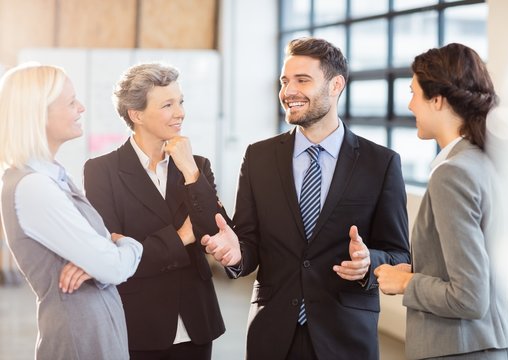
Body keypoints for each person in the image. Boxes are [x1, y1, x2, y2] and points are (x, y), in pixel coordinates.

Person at [202, 37, 410, 360]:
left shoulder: (379, 164)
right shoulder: (259, 158)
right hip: (272, 336)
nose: (288, 92)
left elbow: (399, 255)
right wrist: (235, 255)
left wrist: (369, 263)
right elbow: (249, 243)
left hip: (345, 338)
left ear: (336, 85)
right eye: (285, 81)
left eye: (302, 80)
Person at [374, 43, 508, 359]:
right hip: (486, 344)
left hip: (459, 349)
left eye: (414, 93)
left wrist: (405, 282)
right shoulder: (488, 161)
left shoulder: (452, 174)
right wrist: (426, 268)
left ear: (437, 100)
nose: (411, 105)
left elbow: (468, 297)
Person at [83, 62, 227, 360]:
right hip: (138, 322)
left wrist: (189, 171)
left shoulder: (197, 165)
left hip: (196, 322)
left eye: (181, 102)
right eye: (168, 105)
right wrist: (183, 236)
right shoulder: (102, 172)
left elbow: (216, 232)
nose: (180, 113)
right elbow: (114, 257)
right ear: (136, 115)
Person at [0, 63, 142, 359]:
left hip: (95, 329)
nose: (81, 108)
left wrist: (103, 255)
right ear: (38, 114)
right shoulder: (34, 187)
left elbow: (104, 260)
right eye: (70, 102)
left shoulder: (53, 178)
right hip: (80, 338)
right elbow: (113, 266)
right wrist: (126, 244)